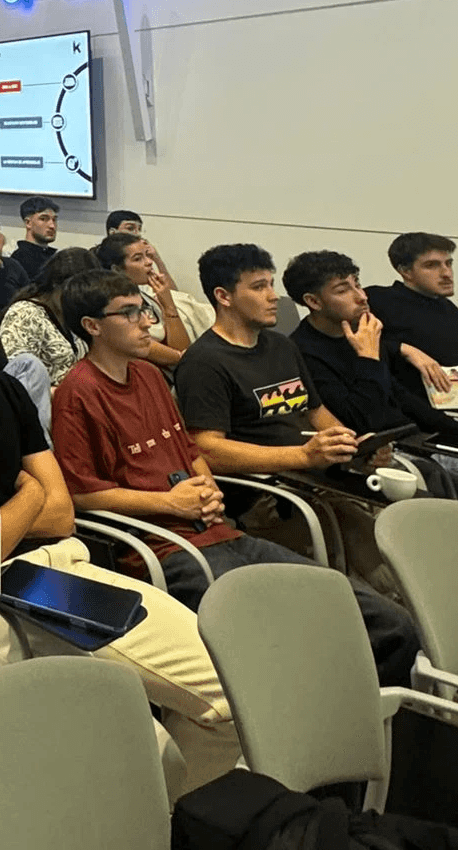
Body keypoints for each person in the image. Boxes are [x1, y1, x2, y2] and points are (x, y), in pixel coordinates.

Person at [0, 257, 239, 790]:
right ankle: (142, 828)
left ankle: (168, 821)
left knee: (231, 689)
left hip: (62, 571)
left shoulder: (5, 392)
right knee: (149, 743)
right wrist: (30, 492)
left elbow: (63, 511)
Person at [53, 268, 423, 683]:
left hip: (220, 530)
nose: (147, 323)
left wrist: (206, 485)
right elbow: (83, 495)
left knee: (384, 621)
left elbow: (190, 450)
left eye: (145, 309)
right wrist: (170, 503)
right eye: (130, 313)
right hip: (166, 548)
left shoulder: (149, 375)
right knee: (310, 636)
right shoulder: (78, 393)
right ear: (92, 326)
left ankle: (382, 726)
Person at [173, 244, 421, 685]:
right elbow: (207, 448)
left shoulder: (278, 348)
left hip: (318, 478)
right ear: (223, 296)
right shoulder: (205, 363)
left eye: (271, 284)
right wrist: (303, 456)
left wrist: (352, 444)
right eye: (259, 287)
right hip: (270, 498)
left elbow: (317, 414)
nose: (273, 296)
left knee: (410, 564)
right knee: (385, 593)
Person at [283, 250, 458, 504]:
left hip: (419, 442)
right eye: (343, 290)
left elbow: (401, 398)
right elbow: (364, 420)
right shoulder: (302, 353)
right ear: (313, 301)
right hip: (381, 458)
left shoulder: (362, 332)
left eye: (358, 284)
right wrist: (368, 358)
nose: (361, 296)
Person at [366, 233, 458, 405]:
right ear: (405, 271)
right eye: (432, 265)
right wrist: (403, 349)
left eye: (448, 263)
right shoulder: (378, 300)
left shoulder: (451, 311)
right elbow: (343, 345)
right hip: (423, 410)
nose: (446, 273)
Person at [0, 247, 98, 386]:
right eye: (73, 292)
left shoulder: (72, 314)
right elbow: (17, 380)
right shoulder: (25, 314)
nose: (79, 299)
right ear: (55, 284)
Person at [95, 233, 191, 369]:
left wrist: (168, 303)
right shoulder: (113, 305)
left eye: (147, 255)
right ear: (117, 269)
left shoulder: (146, 297)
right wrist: (184, 357)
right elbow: (142, 346)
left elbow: (182, 346)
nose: (149, 262)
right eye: (138, 259)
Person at [105, 208, 177, 288]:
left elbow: (174, 294)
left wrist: (157, 259)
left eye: (139, 229)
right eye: (130, 228)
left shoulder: (146, 258)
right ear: (113, 233)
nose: (137, 234)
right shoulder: (98, 261)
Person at [10, 195, 59, 279]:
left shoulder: (54, 256)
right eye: (43, 219)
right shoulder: (19, 261)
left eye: (54, 219)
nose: (52, 226)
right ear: (28, 223)